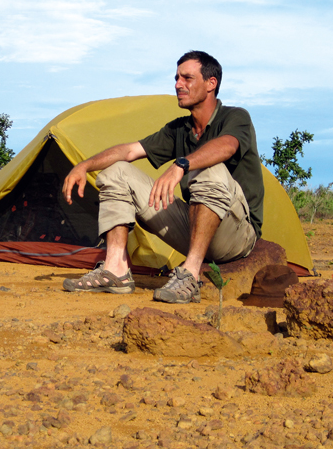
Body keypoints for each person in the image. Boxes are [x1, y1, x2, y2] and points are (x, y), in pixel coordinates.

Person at [61, 51, 264, 304]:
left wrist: (182, 164)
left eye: (187, 78)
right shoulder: (179, 129)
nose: (178, 84)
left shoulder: (236, 117)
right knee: (116, 172)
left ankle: (190, 275)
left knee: (209, 167)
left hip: (236, 233)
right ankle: (116, 270)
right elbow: (130, 150)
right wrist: (84, 165)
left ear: (211, 83)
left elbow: (227, 147)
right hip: (194, 227)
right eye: (177, 78)